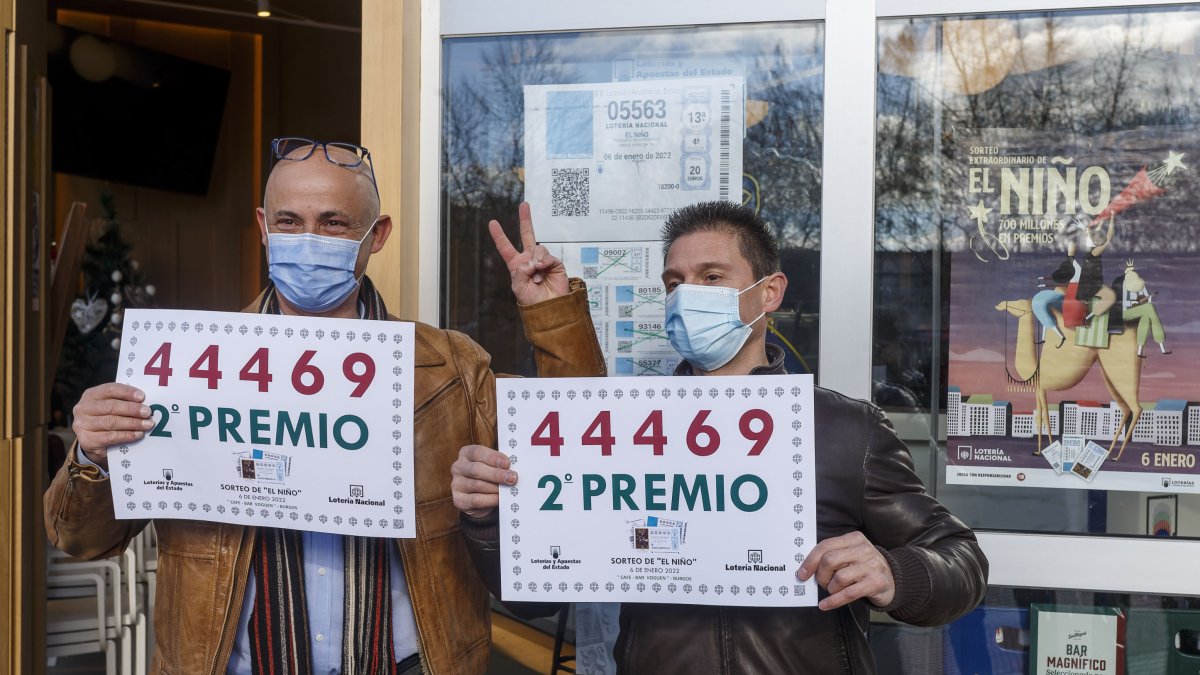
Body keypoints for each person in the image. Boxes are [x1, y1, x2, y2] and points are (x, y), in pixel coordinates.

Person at [44, 137, 606, 675]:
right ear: (264, 228)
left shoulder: (451, 367)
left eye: (333, 223)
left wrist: (552, 316)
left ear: (377, 234)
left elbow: (580, 451)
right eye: (289, 221)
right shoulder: (185, 364)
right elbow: (81, 540)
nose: (308, 238)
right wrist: (92, 455)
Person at [451, 201, 988, 674]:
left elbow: (960, 560)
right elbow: (531, 595)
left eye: (712, 277)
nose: (688, 296)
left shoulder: (843, 428)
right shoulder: (628, 429)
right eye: (674, 283)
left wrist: (894, 570)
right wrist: (487, 518)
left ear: (769, 292)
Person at [1112, 259, 1171, 358]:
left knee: (1146, 318)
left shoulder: (1140, 284)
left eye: (1132, 270)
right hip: (1124, 312)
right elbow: (1118, 302)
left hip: (1140, 311)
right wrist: (1134, 302)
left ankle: (1140, 351)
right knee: (1149, 308)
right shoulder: (1122, 284)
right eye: (1128, 271)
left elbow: (1146, 299)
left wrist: (1147, 299)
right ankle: (1161, 343)